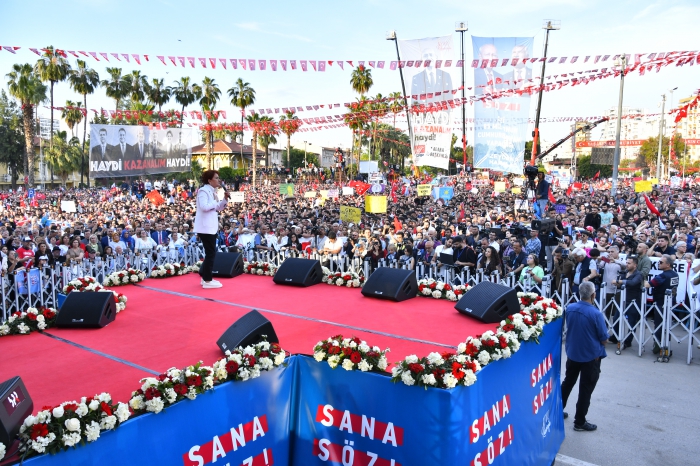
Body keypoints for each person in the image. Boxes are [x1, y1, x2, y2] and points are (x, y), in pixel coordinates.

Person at [561, 281, 607, 432]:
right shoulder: (596, 314)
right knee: (585, 388)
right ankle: (579, 421)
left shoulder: (570, 308)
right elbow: (604, 338)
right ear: (593, 295)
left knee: (568, 382)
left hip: (573, 353)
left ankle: (558, 410)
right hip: (591, 356)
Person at [194, 170, 229, 289]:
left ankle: (205, 277)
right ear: (209, 180)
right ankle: (207, 280)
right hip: (205, 227)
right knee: (211, 253)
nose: (219, 180)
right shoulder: (203, 191)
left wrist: (224, 199)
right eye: (216, 178)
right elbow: (204, 207)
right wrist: (215, 202)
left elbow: (218, 208)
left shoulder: (212, 191)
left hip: (211, 227)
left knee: (211, 253)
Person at [646, 255, 679, 355]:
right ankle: (666, 346)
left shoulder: (663, 275)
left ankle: (658, 347)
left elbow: (648, 285)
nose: (658, 264)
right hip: (670, 302)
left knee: (659, 325)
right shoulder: (675, 274)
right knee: (667, 326)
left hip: (661, 303)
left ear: (668, 264)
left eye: (661, 262)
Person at [611, 256, 643, 349]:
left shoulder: (639, 274)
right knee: (616, 318)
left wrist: (618, 281)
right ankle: (615, 337)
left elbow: (632, 283)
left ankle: (628, 341)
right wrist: (617, 284)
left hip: (633, 301)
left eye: (629, 263)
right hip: (623, 300)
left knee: (631, 322)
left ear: (635, 265)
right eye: (627, 263)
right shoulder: (625, 273)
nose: (627, 265)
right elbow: (621, 286)